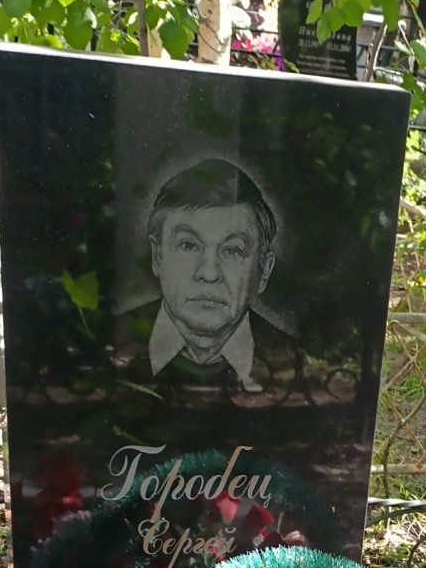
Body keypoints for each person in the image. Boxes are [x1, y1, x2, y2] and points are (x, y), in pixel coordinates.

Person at [114, 158, 306, 405]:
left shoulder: (297, 363)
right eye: (188, 245)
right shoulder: (105, 345)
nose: (209, 273)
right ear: (157, 255)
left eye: (232, 250)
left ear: (264, 271)